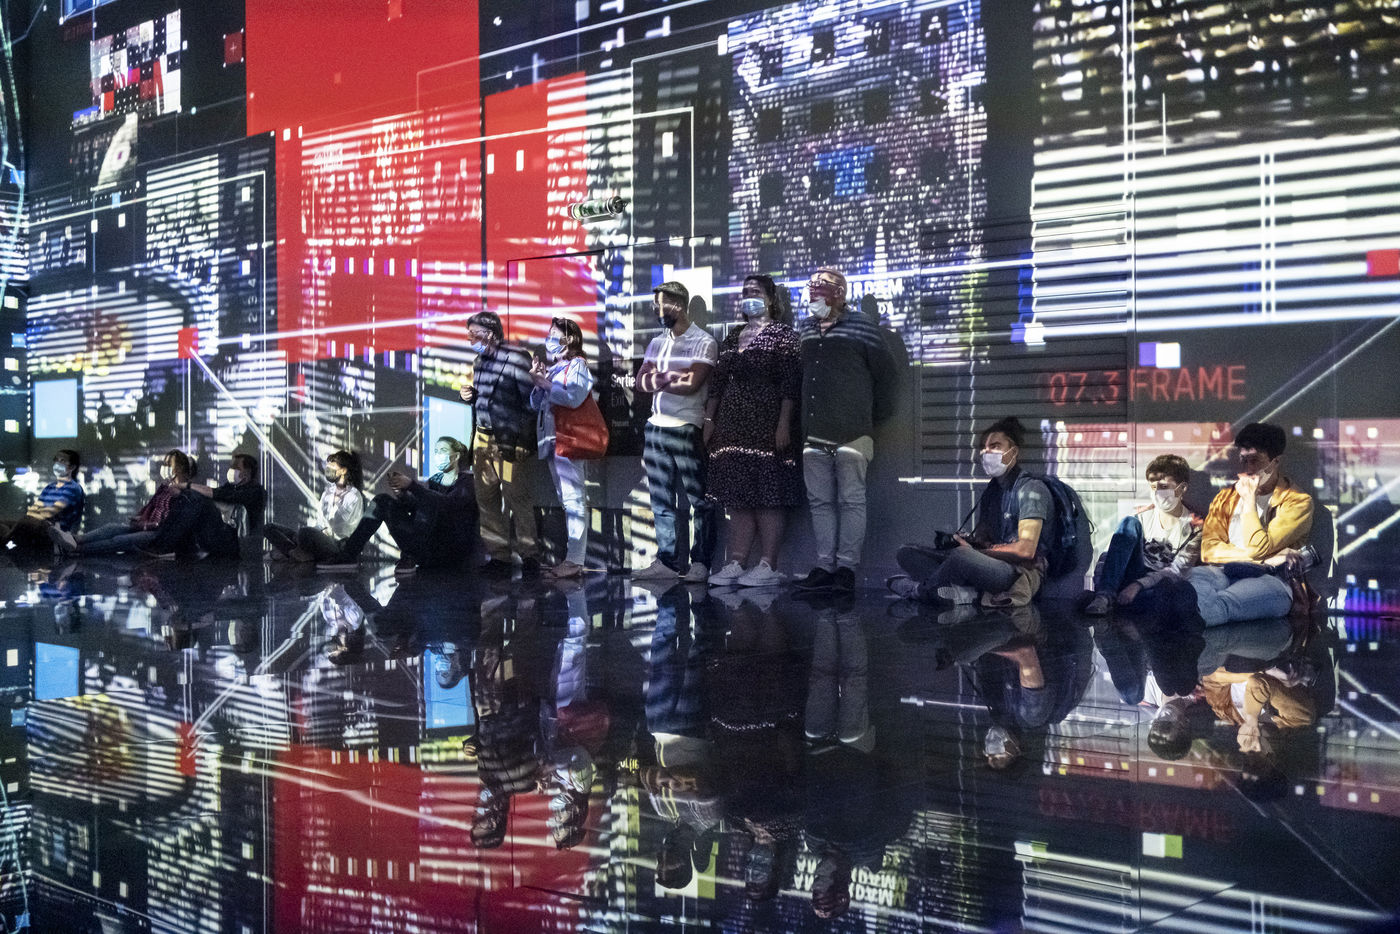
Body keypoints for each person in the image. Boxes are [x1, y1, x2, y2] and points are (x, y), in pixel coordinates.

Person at [792, 268, 899, 595]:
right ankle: (825, 566)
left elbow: (887, 375)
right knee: (820, 502)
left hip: (852, 430)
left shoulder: (862, 325)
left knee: (851, 500)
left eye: (821, 286)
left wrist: (870, 417)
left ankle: (846, 569)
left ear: (839, 292)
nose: (813, 291)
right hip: (814, 431)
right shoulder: (805, 327)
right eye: (811, 286)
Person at [703, 275, 803, 588]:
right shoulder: (733, 336)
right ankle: (737, 561)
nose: (749, 296)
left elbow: (790, 384)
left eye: (755, 291)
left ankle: (768, 564)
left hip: (768, 424)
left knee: (768, 495)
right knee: (738, 497)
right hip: (731, 426)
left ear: (770, 299)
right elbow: (717, 383)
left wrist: (784, 423)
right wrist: (709, 420)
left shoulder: (784, 335)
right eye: (745, 292)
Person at [887, 417, 1052, 605]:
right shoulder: (992, 491)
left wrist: (975, 552)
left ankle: (920, 590)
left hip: (1016, 572)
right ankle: (965, 593)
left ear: (1013, 452)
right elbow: (983, 538)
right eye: (984, 447)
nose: (986, 452)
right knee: (907, 552)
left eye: (995, 446)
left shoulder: (1030, 490)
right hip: (986, 565)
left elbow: (1025, 551)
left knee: (961, 556)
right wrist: (964, 542)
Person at [1186, 421, 1315, 626]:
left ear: (1275, 461)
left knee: (1222, 604)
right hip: (1223, 572)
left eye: (1255, 460)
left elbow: (1257, 547)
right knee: (1188, 588)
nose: (1248, 468)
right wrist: (1268, 559)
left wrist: (1249, 500)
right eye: (1243, 460)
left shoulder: (1297, 502)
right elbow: (1209, 550)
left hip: (1273, 580)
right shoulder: (1226, 497)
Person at [633, 281, 719, 583]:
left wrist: (659, 377)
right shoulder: (656, 342)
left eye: (661, 305)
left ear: (679, 306)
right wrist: (672, 375)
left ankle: (701, 563)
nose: (656, 310)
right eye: (654, 305)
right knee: (660, 500)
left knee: (699, 499)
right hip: (655, 427)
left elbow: (692, 384)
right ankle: (667, 562)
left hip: (686, 428)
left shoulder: (703, 341)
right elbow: (640, 383)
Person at [459, 310, 541, 578]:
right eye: (469, 334)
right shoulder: (479, 362)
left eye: (475, 334)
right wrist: (469, 396)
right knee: (486, 499)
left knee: (517, 497)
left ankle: (529, 556)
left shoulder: (516, 358)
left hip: (508, 439)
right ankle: (499, 556)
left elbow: (531, 405)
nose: (471, 339)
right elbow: (486, 399)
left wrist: (524, 441)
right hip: (482, 439)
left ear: (491, 334)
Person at [319, 437, 475, 576]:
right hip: (423, 546)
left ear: (456, 456)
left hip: (447, 551)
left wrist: (412, 486)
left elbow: (446, 505)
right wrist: (402, 495)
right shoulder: (435, 479)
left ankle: (410, 555)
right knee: (382, 501)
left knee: (429, 503)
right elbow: (417, 507)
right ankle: (348, 555)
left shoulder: (467, 482)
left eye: (443, 451)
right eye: (436, 451)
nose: (438, 454)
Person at [1084, 454, 1201, 615]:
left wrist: (1138, 585)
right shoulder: (1140, 517)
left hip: (1153, 586)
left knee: (1172, 592)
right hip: (1127, 577)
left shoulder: (1195, 527)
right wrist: (1100, 589)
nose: (1157, 492)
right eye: (1153, 487)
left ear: (1182, 488)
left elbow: (1178, 571)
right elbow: (1109, 555)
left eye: (1164, 486)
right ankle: (1105, 597)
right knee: (1129, 523)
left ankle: (1115, 603)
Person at [529, 317, 598, 579]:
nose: (549, 340)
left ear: (568, 339)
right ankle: (571, 559)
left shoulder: (577, 364)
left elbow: (573, 397)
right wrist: (539, 382)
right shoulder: (556, 368)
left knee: (574, 500)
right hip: (551, 440)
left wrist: (545, 384)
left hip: (568, 439)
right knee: (566, 500)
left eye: (553, 335)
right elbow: (537, 404)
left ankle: (575, 561)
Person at [51, 450, 193, 556]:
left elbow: (169, 524)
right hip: (147, 526)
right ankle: (75, 539)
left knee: (119, 540)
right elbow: (151, 506)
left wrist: (145, 525)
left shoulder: (185, 492)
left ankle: (74, 549)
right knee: (110, 528)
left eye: (168, 464)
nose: (164, 467)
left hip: (158, 533)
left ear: (178, 468)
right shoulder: (165, 486)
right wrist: (140, 518)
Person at [142, 453, 267, 558]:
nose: (231, 470)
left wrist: (186, 486)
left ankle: (164, 546)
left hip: (236, 545)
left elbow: (214, 493)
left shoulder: (255, 491)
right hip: (221, 536)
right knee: (190, 499)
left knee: (197, 500)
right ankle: (167, 544)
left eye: (236, 467)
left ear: (246, 472)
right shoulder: (231, 487)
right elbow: (213, 492)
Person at [264, 450, 365, 563]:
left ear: (343, 470)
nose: (328, 469)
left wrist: (321, 532)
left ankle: (294, 552)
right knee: (269, 528)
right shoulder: (328, 492)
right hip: (318, 537)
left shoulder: (353, 495)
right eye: (327, 466)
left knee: (305, 532)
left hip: (337, 544)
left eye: (332, 466)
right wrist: (316, 531)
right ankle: (294, 552)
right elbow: (319, 521)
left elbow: (343, 526)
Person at [1, 449, 85, 552]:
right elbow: (33, 510)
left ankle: (6, 543)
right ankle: (8, 542)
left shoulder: (73, 488)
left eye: (62, 461)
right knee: (4, 523)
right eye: (56, 460)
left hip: (56, 532)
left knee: (24, 522)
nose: (57, 464)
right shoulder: (50, 487)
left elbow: (51, 512)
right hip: (39, 525)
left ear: (72, 467)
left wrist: (37, 515)